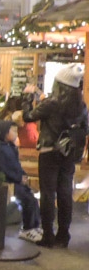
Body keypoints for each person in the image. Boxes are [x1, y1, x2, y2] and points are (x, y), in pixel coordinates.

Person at [20, 63, 88, 248]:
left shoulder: (52, 103)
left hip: (49, 152)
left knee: (48, 194)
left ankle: (48, 235)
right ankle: (63, 236)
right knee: (65, 193)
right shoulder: (81, 106)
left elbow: (28, 116)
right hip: (68, 155)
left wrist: (27, 96)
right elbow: (85, 129)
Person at [0, 119, 42, 243]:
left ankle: (34, 226)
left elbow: (16, 166)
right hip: (9, 183)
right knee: (28, 199)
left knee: (32, 197)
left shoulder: (10, 147)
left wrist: (23, 176)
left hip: (16, 181)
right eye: (13, 131)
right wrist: (18, 178)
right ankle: (27, 228)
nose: (16, 133)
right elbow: (4, 169)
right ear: (4, 132)